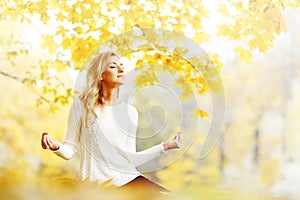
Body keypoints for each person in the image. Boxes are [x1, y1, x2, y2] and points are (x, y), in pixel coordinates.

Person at [41, 51, 182, 194]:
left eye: (121, 66)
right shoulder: (81, 106)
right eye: (113, 66)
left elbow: (130, 159)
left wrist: (165, 146)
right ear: (101, 74)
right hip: (96, 188)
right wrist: (55, 146)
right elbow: (69, 149)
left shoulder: (130, 112)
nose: (121, 69)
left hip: (128, 180)